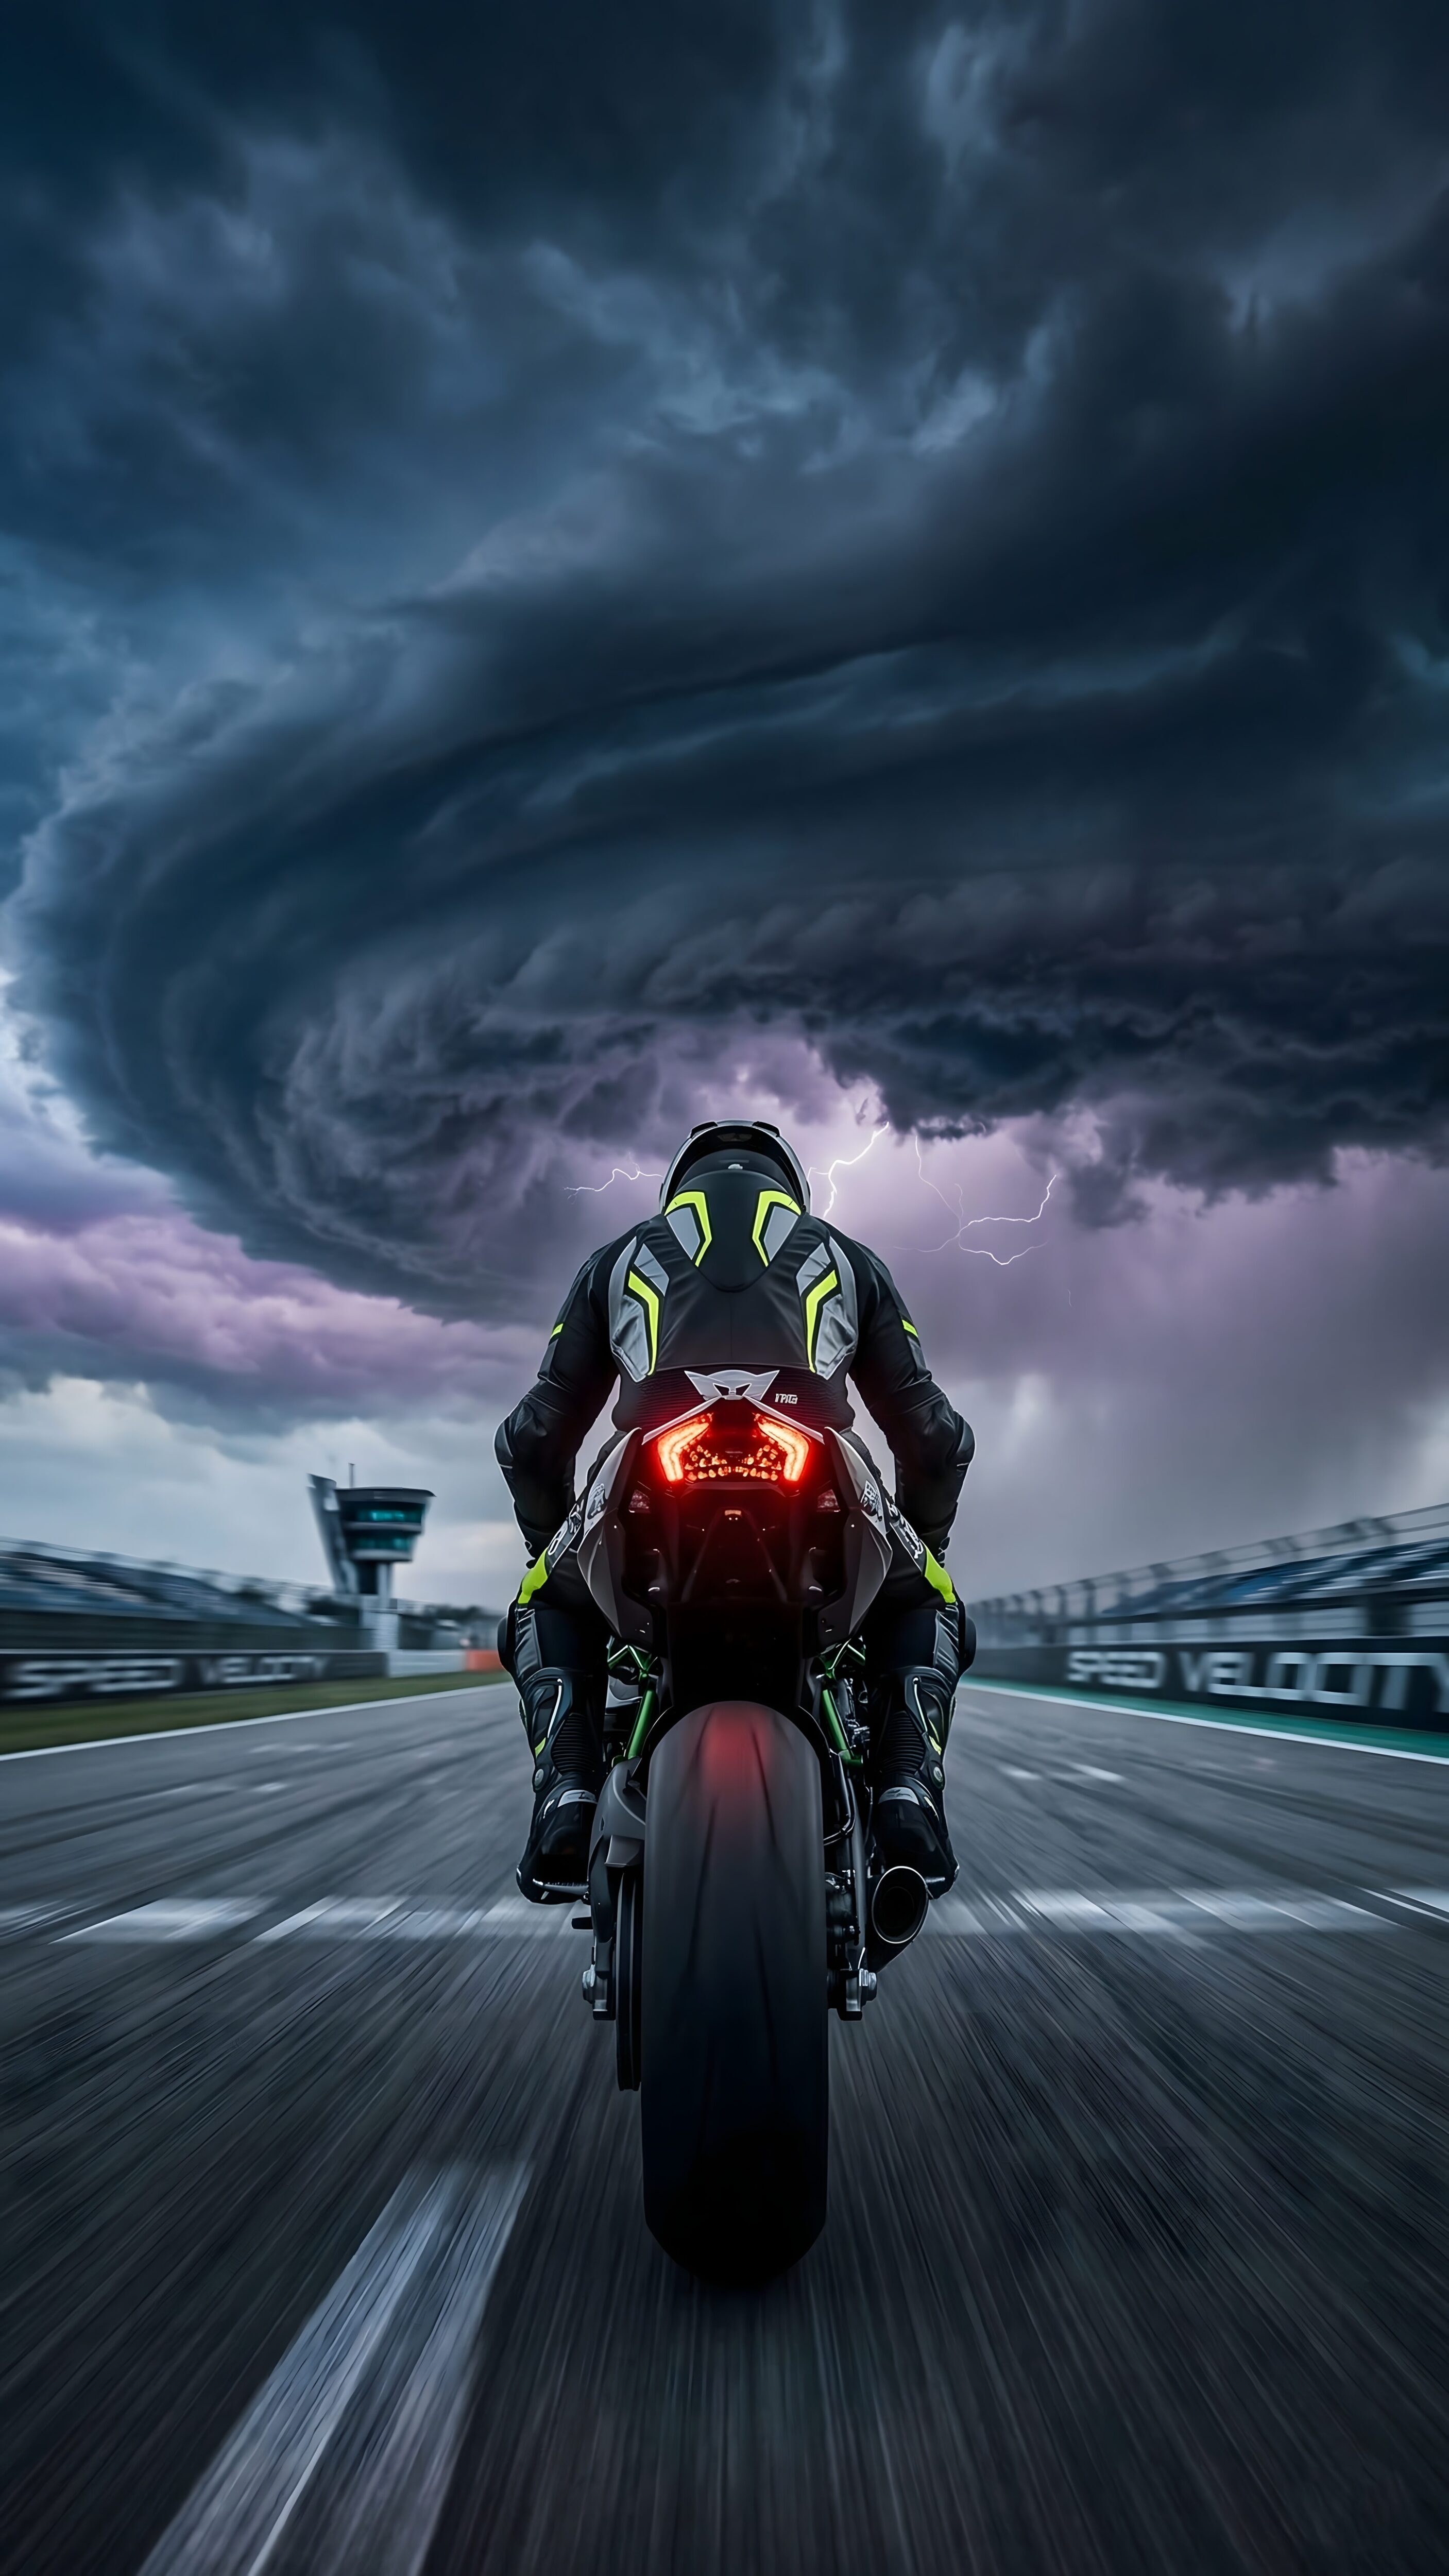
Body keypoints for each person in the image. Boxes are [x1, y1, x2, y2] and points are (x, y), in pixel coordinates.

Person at [495, 1120, 975, 1902]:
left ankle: (569, 1791)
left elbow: (533, 1437)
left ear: (675, 1187)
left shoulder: (614, 1260)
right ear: (790, 1187)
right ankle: (904, 1791)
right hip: (815, 1469)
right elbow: (934, 1437)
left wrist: (552, 1552)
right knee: (933, 1603)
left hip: (649, 1471)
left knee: (538, 1604)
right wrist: (923, 1550)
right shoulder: (848, 1258)